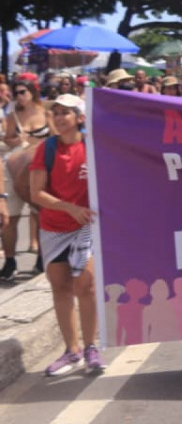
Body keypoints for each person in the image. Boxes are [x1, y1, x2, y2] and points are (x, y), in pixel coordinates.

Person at [30, 94, 103, 376]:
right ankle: (71, 351)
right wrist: (67, 207)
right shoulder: (46, 149)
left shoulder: (92, 147)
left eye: (66, 113)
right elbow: (37, 193)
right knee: (60, 287)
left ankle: (91, 348)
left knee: (86, 285)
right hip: (53, 228)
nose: (59, 118)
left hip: (85, 227)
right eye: (56, 112)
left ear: (79, 118)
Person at [2, 79, 51, 280]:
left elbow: (56, 135)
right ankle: (10, 260)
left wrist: (40, 142)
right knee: (10, 217)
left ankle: (42, 257)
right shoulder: (13, 115)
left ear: (32, 91)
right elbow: (7, 138)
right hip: (14, 162)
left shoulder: (46, 112)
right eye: (16, 93)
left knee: (41, 215)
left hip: (40, 163)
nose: (19, 96)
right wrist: (20, 140)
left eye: (22, 92)